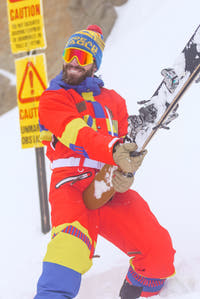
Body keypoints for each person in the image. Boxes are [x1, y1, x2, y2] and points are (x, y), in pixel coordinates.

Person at [34, 25, 175, 299]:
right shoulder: (53, 98)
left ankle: (135, 292)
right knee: (69, 250)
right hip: (70, 183)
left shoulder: (115, 102)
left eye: (83, 57)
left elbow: (123, 149)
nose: (74, 62)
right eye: (70, 54)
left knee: (158, 255)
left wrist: (125, 172)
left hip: (106, 185)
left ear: (94, 64)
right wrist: (114, 149)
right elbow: (77, 133)